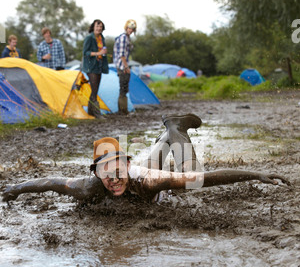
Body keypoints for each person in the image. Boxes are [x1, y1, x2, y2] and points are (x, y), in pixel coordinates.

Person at [1, 113, 289, 204]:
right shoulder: (86, 188)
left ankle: (176, 130)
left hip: (142, 174)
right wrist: (14, 189)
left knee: (190, 168)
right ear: (96, 174)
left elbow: (203, 180)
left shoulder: (148, 181)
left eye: (117, 172)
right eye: (106, 175)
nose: (113, 182)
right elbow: (48, 181)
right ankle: (171, 127)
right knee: (157, 154)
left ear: (125, 165)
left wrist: (255, 174)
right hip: (135, 168)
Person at [82, 20, 108, 118]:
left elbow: (102, 50)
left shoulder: (102, 38)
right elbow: (85, 53)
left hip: (99, 65)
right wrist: (98, 53)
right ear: (93, 27)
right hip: (91, 66)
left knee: (95, 90)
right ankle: (97, 113)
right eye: (97, 26)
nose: (99, 28)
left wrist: (103, 53)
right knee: (94, 89)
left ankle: (90, 111)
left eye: (101, 26)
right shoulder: (89, 38)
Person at [113, 19, 137, 114]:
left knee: (124, 88)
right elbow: (122, 54)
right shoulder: (123, 38)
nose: (131, 30)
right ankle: (122, 110)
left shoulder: (127, 38)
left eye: (132, 29)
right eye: (129, 28)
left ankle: (124, 109)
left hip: (123, 65)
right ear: (126, 27)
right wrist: (126, 67)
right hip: (122, 66)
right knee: (123, 88)